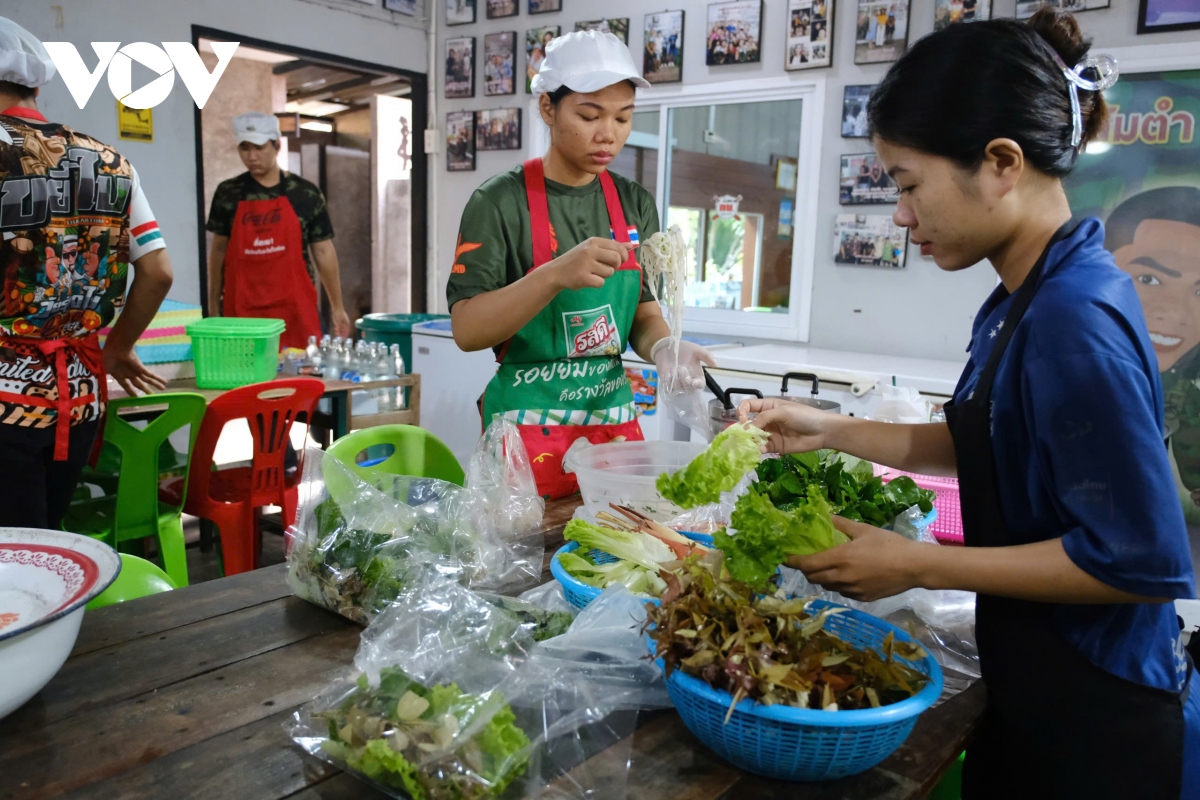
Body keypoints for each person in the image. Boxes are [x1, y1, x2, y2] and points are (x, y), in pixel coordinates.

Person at [741, 9, 1198, 799]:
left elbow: (1137, 563)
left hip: (1098, 718)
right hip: (1037, 678)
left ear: (1000, 162)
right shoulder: (1025, 292)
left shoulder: (1072, 317)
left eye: (910, 184)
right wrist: (833, 429)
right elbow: (986, 439)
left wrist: (916, 562)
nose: (902, 215)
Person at [447, 30, 716, 499]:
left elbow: (644, 314)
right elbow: (468, 330)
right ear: (548, 108)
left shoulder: (634, 203)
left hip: (610, 426)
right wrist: (552, 275)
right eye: (589, 115)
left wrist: (663, 349)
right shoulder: (498, 202)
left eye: (623, 117)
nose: (607, 133)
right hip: (525, 429)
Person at [0, 18, 174, 528]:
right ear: (35, 85)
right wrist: (117, 347)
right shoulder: (111, 160)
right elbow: (159, 271)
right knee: (45, 542)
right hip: (77, 397)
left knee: (10, 563)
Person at [206, 112, 351, 349]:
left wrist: (337, 307)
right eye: (244, 148)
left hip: (294, 311)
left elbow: (324, 251)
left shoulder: (305, 193)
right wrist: (213, 306)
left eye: (260, 148)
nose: (252, 156)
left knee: (302, 380)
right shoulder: (227, 193)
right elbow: (218, 251)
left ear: (277, 145)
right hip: (242, 312)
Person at [1106, 187, 1200, 522]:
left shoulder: (1182, 385)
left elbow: (1190, 437)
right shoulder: (1073, 366)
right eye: (1149, 279)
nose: (1176, 313)